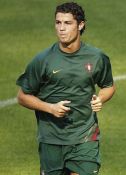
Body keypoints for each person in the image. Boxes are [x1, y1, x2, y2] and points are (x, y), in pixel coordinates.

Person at [16, 2, 115, 175]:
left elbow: (108, 86)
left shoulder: (97, 57)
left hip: (85, 136)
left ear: (81, 25)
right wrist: (50, 108)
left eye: (67, 23)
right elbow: (22, 96)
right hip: (51, 139)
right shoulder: (43, 60)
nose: (61, 28)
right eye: (58, 22)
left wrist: (101, 98)